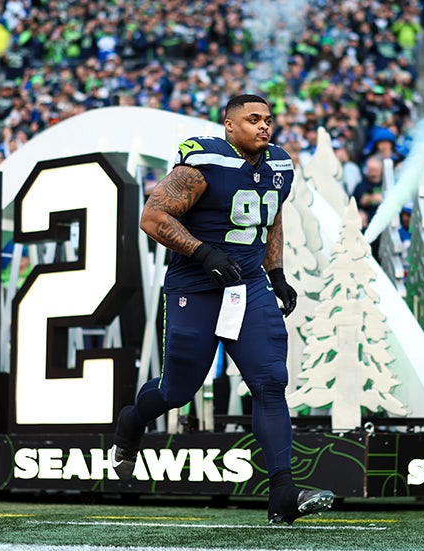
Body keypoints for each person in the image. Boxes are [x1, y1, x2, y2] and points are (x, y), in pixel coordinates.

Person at [109, 94, 333, 525]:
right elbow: (152, 217)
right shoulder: (204, 163)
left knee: (270, 381)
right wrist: (203, 252)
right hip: (196, 288)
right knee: (177, 391)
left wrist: (276, 271)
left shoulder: (278, 165)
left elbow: (271, 218)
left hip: (248, 287)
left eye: (268, 119)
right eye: (253, 119)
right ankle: (132, 421)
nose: (264, 126)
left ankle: (283, 493)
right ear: (229, 126)